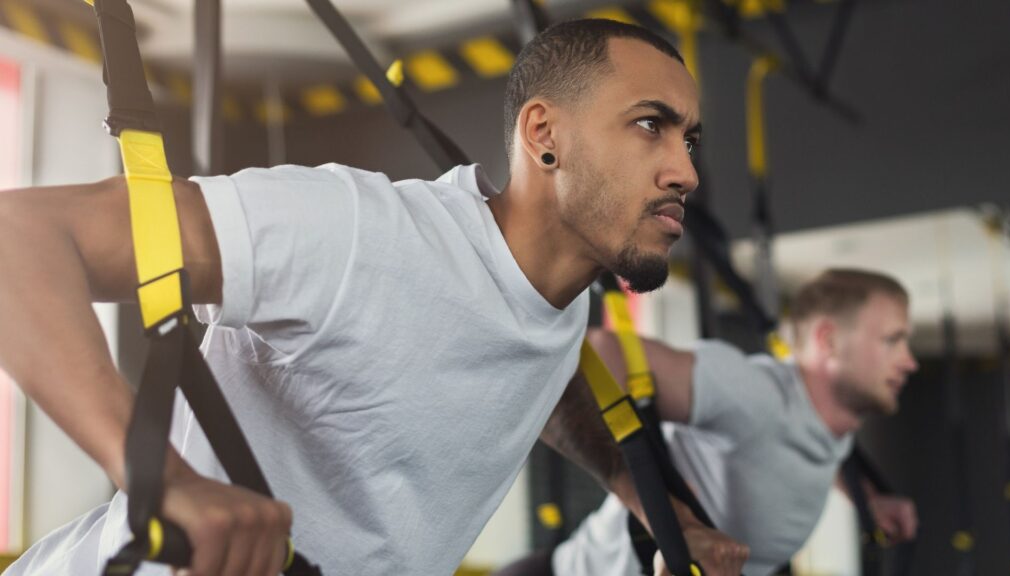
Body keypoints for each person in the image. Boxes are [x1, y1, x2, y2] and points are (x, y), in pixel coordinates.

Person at [0, 18, 748, 576]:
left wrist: (657, 507)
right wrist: (160, 477)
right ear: (544, 134)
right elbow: (18, 238)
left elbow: (542, 381)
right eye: (651, 126)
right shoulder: (359, 232)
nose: (686, 170)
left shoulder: (560, 303)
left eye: (692, 140)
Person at [496, 268, 920, 576]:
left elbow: (818, 450)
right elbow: (590, 362)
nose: (909, 361)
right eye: (892, 340)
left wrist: (867, 498)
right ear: (828, 340)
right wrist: (676, 521)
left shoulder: (833, 427)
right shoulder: (757, 393)